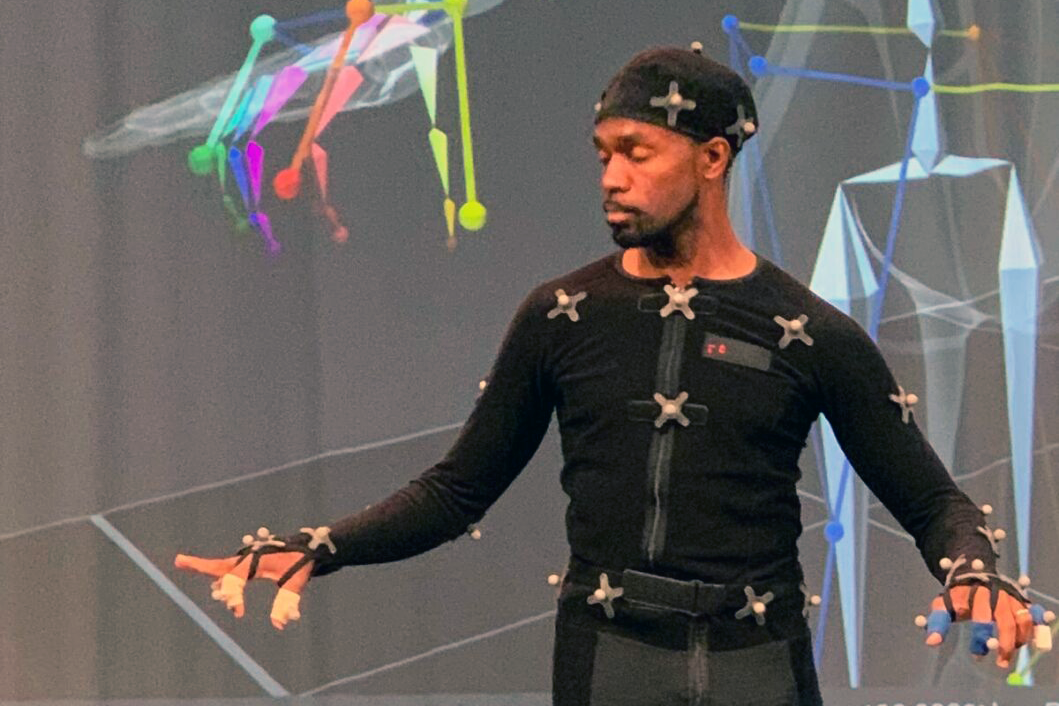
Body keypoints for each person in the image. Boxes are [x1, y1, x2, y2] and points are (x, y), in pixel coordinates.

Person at [176, 44, 1050, 705]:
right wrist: (319, 548)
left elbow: (931, 501)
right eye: (603, 153)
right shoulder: (559, 315)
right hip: (608, 659)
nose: (611, 177)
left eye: (637, 151)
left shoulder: (809, 332)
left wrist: (971, 571)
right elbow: (455, 491)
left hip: (760, 664)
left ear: (712, 158)